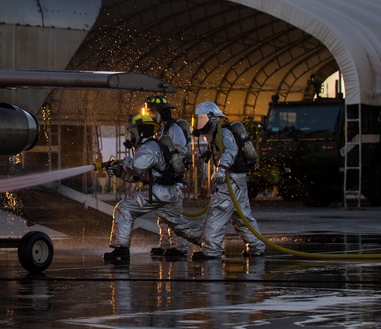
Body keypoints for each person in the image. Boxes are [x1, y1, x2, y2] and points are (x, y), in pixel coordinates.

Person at [102, 113, 203, 264]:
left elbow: (136, 167)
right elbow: (138, 176)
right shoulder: (150, 147)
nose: (131, 137)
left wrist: (123, 162)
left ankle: (121, 250)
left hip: (156, 192)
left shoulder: (149, 147)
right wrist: (118, 171)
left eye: (132, 132)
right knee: (177, 223)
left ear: (141, 132)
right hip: (166, 192)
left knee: (124, 209)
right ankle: (207, 239)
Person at [190, 101, 267, 260]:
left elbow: (231, 150)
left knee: (216, 213)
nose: (199, 124)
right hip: (237, 179)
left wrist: (221, 169)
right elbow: (220, 149)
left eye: (201, 119)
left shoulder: (222, 133)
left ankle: (211, 251)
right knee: (241, 216)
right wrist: (207, 153)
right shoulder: (214, 135)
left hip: (229, 180)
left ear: (211, 118)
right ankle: (256, 247)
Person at [146, 95, 190, 259]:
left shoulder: (174, 129)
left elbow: (180, 151)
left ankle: (179, 247)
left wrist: (169, 170)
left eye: (152, 112)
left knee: (173, 215)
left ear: (161, 112)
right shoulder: (162, 129)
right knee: (163, 215)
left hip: (172, 179)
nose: (151, 116)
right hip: (164, 178)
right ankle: (165, 245)